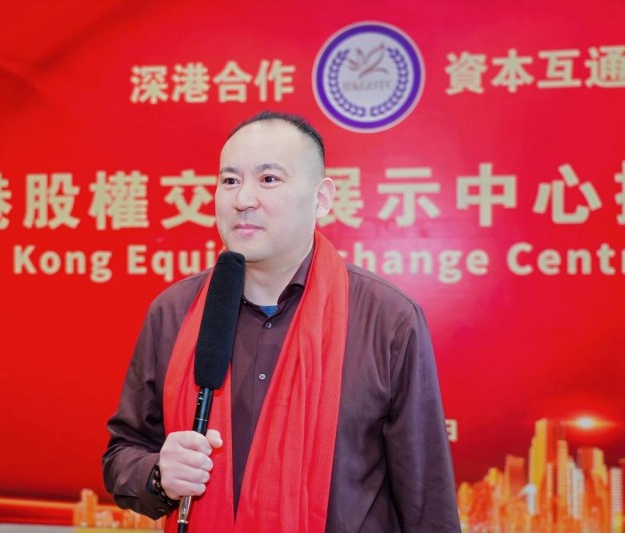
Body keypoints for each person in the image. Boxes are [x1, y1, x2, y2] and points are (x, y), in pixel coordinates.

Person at [103, 111, 460, 532]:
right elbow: (123, 453)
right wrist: (160, 475)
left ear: (321, 198)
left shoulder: (387, 319)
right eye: (230, 180)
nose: (242, 199)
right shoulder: (174, 313)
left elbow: (426, 501)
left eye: (268, 179)